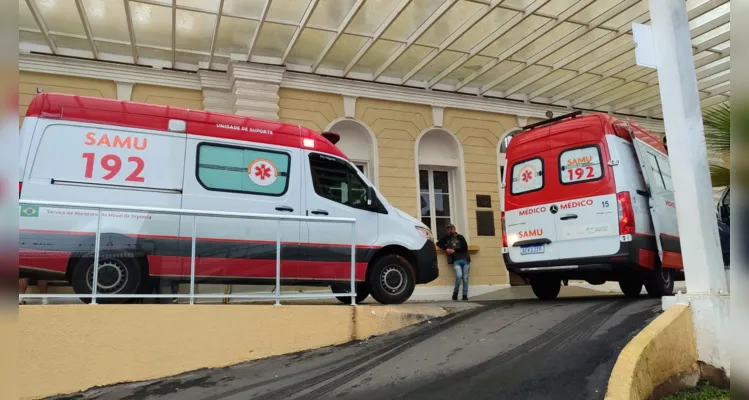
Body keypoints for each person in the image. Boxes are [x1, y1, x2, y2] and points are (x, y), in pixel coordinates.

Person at [436, 223, 471, 301]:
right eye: (448, 229)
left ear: (455, 229)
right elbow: (438, 243)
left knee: (465, 278)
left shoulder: (460, 237)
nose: (450, 230)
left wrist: (454, 250)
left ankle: (464, 295)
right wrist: (446, 248)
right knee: (459, 276)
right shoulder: (447, 237)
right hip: (456, 260)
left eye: (451, 228)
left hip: (465, 259)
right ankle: (455, 293)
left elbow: (465, 247)